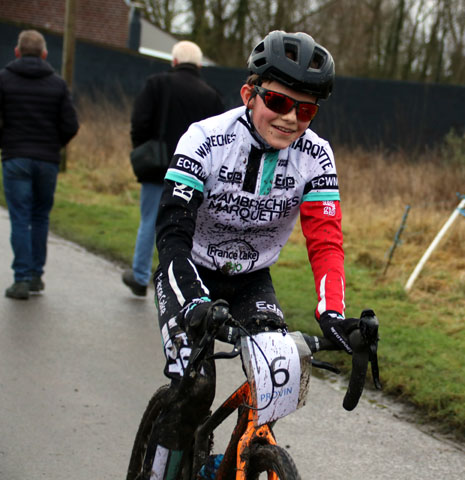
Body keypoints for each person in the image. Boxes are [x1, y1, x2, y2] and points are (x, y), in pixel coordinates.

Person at [141, 30, 356, 480]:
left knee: (277, 380)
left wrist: (333, 314)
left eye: (307, 109)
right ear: (249, 94)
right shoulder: (205, 139)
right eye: (278, 102)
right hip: (190, 272)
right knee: (195, 388)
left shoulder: (316, 157)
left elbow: (326, 241)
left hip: (251, 278)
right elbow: (173, 233)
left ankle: (239, 462)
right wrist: (195, 304)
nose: (291, 118)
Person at [122, 40, 225, 297]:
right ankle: (187, 285)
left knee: (150, 221)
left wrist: (144, 150)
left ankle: (140, 275)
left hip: (158, 167)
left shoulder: (156, 84)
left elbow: (139, 123)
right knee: (189, 227)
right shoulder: (211, 95)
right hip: (196, 175)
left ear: (174, 61)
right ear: (200, 65)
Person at [0, 30, 79, 300]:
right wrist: (53, 145)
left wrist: (7, 142)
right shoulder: (57, 84)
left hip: (15, 158)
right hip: (47, 161)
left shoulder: (4, 79)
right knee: (40, 216)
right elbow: (71, 125)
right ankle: (36, 276)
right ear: (45, 54)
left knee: (20, 217)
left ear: (17, 51)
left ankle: (20, 279)